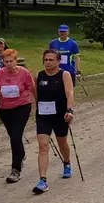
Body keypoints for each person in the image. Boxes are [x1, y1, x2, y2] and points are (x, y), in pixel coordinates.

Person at [32, 50, 75, 194]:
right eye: (46, 60)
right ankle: (42, 180)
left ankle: (67, 162)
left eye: (51, 60)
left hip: (60, 115)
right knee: (43, 146)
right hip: (43, 115)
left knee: (62, 143)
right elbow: (36, 95)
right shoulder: (39, 76)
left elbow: (70, 93)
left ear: (58, 61)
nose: (48, 62)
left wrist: (70, 110)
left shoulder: (64, 75)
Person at [0, 49, 34, 183]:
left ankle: (16, 169)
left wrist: (39, 105)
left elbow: (32, 89)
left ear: (16, 61)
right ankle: (21, 153)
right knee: (13, 135)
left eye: (11, 61)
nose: (8, 64)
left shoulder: (24, 73)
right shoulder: (0, 74)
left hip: (22, 106)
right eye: (5, 61)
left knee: (15, 136)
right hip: (6, 109)